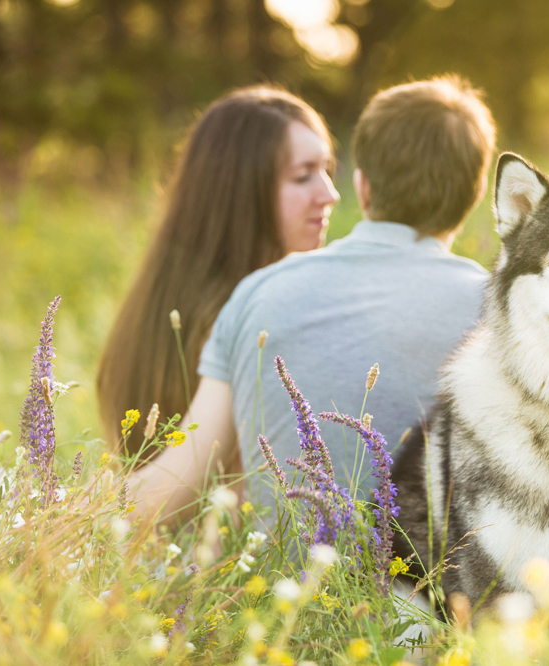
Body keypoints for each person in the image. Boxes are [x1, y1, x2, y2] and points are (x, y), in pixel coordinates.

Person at [132, 75, 496, 518]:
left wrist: (49, 523)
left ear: (362, 185)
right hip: (438, 584)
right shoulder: (500, 309)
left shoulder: (256, 294)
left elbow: (176, 480)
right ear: (476, 195)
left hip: (284, 583)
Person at [97, 87, 339, 513]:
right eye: (304, 176)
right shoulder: (247, 321)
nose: (329, 194)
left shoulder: (163, 302)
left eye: (327, 170)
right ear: (242, 192)